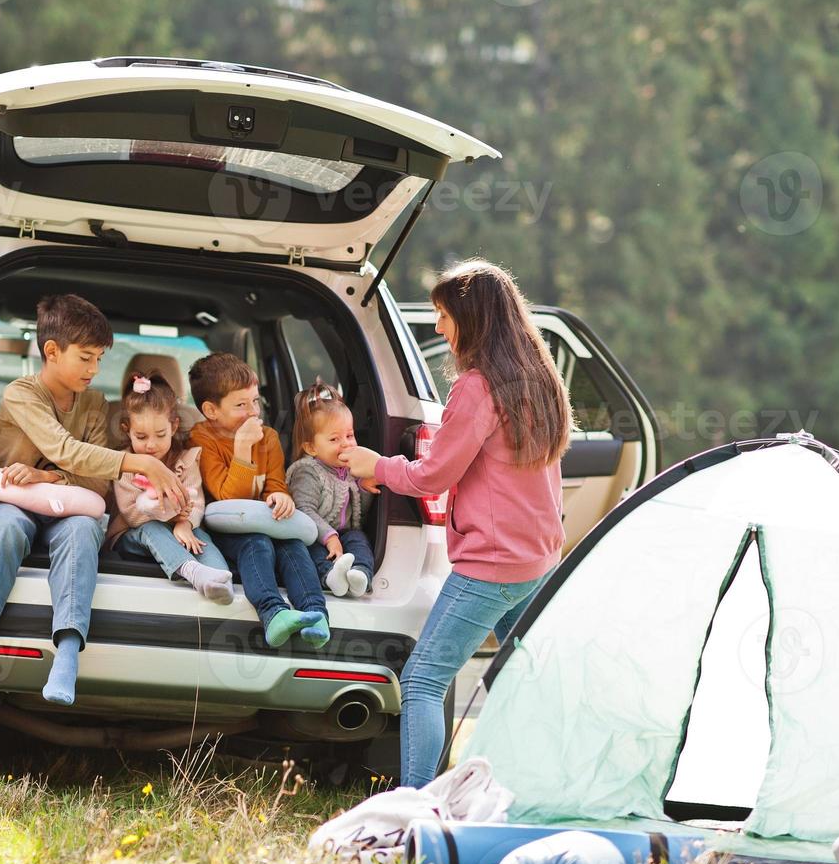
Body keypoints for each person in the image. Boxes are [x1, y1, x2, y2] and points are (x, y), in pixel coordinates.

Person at [340, 261, 571, 786]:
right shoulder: (541, 380)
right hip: (537, 561)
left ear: (474, 318)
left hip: (492, 567)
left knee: (422, 681)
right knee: (522, 680)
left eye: (445, 316)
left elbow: (434, 476)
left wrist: (374, 465)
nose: (439, 328)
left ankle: (415, 806)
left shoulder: (477, 387)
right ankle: (540, 788)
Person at [0, 294, 188, 720]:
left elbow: (95, 480)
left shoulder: (93, 404)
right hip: (13, 502)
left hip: (69, 504)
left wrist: (49, 477)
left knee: (83, 529)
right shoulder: (21, 394)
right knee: (3, 529)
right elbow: (63, 447)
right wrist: (139, 461)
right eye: (86, 358)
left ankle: (68, 656)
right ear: (52, 351)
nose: (95, 370)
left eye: (100, 359)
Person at [188, 352, 331, 649]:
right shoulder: (201, 439)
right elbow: (227, 497)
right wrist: (241, 448)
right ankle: (272, 612)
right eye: (240, 405)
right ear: (211, 410)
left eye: (255, 401)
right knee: (258, 543)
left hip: (265, 521)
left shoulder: (267, 438)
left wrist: (279, 495)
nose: (252, 411)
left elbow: (275, 482)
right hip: (223, 531)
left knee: (293, 546)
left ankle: (316, 614)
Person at [106, 370, 234, 603]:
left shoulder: (187, 461)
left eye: (160, 434)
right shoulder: (124, 464)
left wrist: (186, 523)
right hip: (133, 534)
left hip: (180, 528)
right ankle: (192, 571)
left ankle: (220, 581)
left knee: (201, 537)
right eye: (141, 437)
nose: (151, 445)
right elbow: (132, 514)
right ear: (127, 430)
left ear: (174, 427)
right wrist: (176, 519)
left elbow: (196, 503)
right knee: (152, 529)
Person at [286, 378, 377, 597]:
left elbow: (358, 515)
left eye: (350, 435)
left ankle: (360, 574)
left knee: (359, 540)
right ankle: (330, 577)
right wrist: (329, 537)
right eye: (335, 439)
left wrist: (364, 487)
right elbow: (303, 510)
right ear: (311, 447)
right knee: (313, 552)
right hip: (315, 535)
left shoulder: (351, 468)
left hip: (345, 533)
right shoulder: (307, 471)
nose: (346, 443)